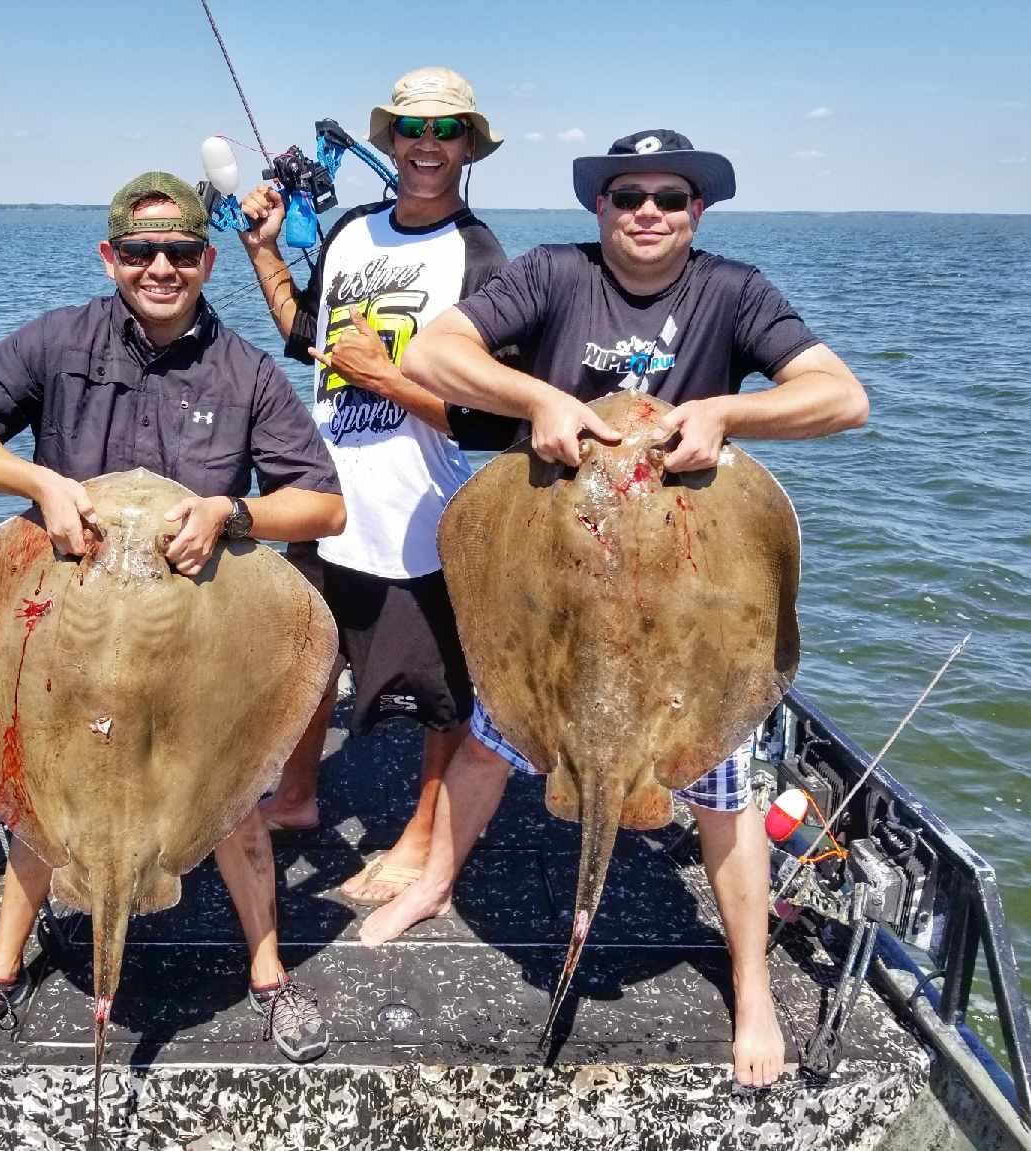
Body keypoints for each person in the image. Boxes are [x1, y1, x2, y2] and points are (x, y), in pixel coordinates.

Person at [360, 129, 870, 1089]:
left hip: (685, 595)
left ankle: (750, 984)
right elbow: (432, 352)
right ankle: (433, 882)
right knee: (492, 739)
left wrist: (724, 413)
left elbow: (841, 397)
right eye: (627, 195)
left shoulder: (732, 291)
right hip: (554, 579)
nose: (647, 212)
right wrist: (538, 401)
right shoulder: (555, 274)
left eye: (668, 198)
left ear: (696, 212)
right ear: (600, 206)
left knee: (721, 792)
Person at [0, 170, 345, 1067]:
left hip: (196, 639)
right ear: (110, 257)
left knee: (233, 801)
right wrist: (38, 481)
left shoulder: (244, 371)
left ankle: (269, 975)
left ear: (206, 261)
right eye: (141, 252)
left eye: (180, 251)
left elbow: (324, 506)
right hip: (65, 632)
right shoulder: (57, 343)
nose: (160, 268)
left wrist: (232, 512)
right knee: (35, 799)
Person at [237, 67, 511, 905]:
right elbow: (304, 334)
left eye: (446, 130)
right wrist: (262, 250)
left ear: (468, 147)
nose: (426, 145)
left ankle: (423, 835)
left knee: (437, 689)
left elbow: (493, 421)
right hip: (322, 496)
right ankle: (296, 793)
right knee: (305, 660)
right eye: (411, 129)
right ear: (390, 140)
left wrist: (386, 379)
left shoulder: (480, 256)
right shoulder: (352, 230)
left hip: (416, 515)